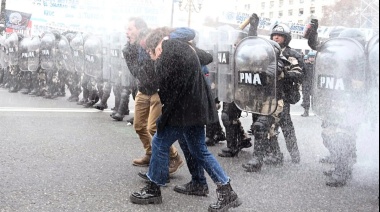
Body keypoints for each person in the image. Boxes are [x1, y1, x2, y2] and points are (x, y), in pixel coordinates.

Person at [130, 27, 241, 212]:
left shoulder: (169, 47)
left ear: (157, 46)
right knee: (198, 149)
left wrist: (163, 119)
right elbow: (202, 58)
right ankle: (220, 189)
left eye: (151, 52)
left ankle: (153, 188)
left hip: (185, 109)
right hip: (194, 107)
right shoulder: (180, 48)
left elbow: (160, 87)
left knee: (159, 142)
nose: (152, 57)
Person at [306, 21, 367, 187]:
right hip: (336, 102)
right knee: (329, 134)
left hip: (354, 105)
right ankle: (343, 164)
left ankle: (342, 171)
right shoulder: (339, 56)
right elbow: (316, 46)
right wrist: (313, 33)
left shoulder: (366, 57)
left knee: (343, 137)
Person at [123, 18, 183, 173]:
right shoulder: (130, 48)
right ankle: (150, 153)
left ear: (140, 29)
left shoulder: (150, 41)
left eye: (130, 29)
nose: (127, 33)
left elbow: (158, 64)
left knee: (153, 128)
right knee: (139, 126)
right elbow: (134, 71)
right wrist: (129, 48)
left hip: (157, 90)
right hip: (143, 89)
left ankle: (174, 157)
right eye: (127, 30)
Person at [269, 23, 303, 164]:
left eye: (280, 35)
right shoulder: (266, 52)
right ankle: (276, 154)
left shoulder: (291, 54)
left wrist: (283, 74)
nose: (276, 37)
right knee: (268, 126)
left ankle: (294, 154)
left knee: (286, 126)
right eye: (274, 35)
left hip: (284, 94)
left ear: (286, 38)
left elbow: (298, 73)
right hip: (269, 95)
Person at [301, 51, 316, 117]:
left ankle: (316, 111)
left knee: (315, 99)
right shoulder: (305, 65)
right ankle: (306, 111)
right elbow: (301, 74)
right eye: (311, 57)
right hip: (306, 84)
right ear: (308, 58)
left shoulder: (317, 66)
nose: (312, 58)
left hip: (314, 84)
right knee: (306, 98)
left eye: (313, 57)